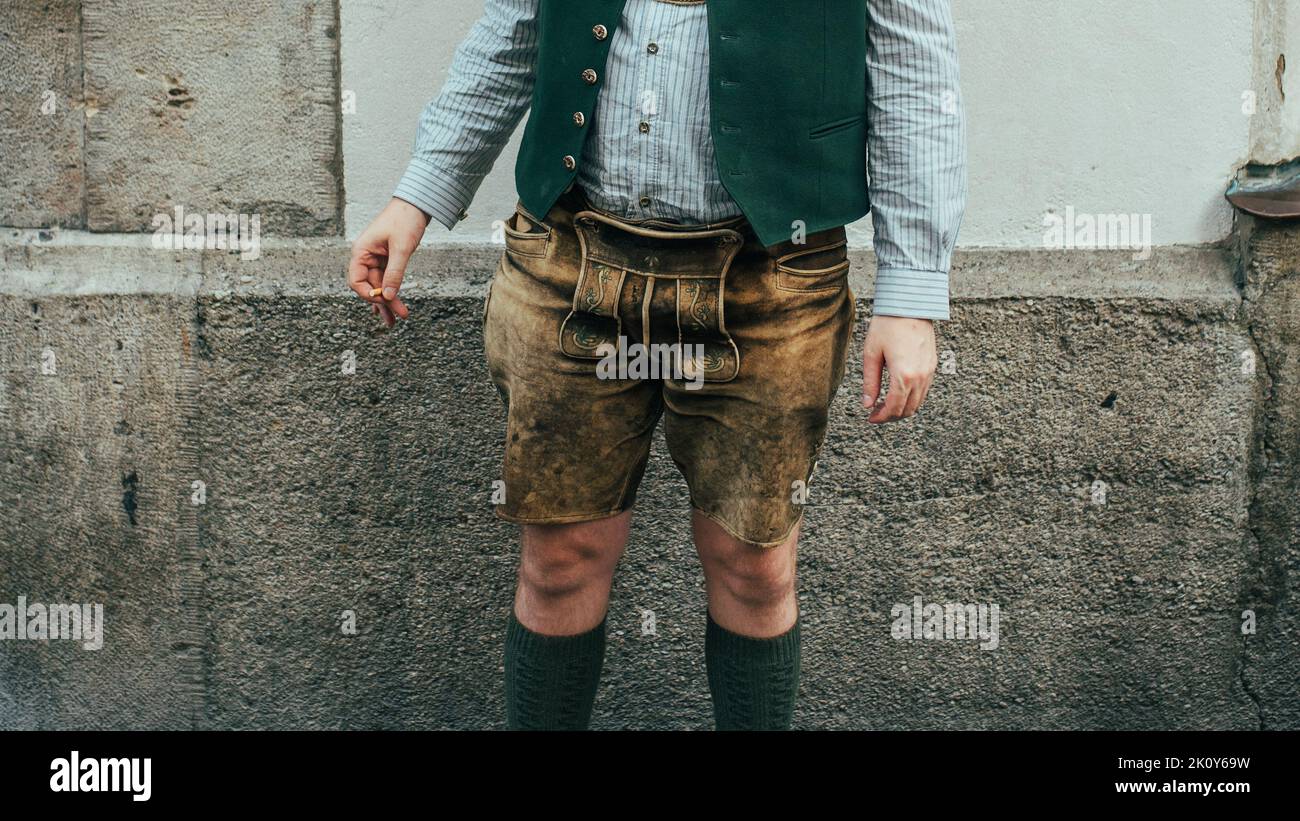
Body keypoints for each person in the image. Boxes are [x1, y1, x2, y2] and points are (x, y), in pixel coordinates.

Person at [347, 0, 967, 730]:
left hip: (771, 281)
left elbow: (912, 69)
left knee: (754, 565)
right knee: (560, 561)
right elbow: (515, 27)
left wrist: (912, 289)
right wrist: (417, 196)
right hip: (567, 261)